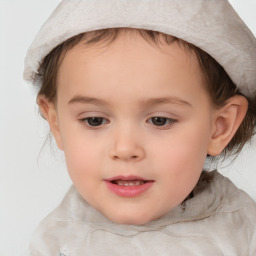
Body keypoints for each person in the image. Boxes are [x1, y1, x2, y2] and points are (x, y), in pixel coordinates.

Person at [23, 0, 256, 255]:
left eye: (159, 120)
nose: (124, 149)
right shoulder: (56, 243)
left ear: (219, 127)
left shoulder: (244, 235)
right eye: (94, 120)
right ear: (56, 123)